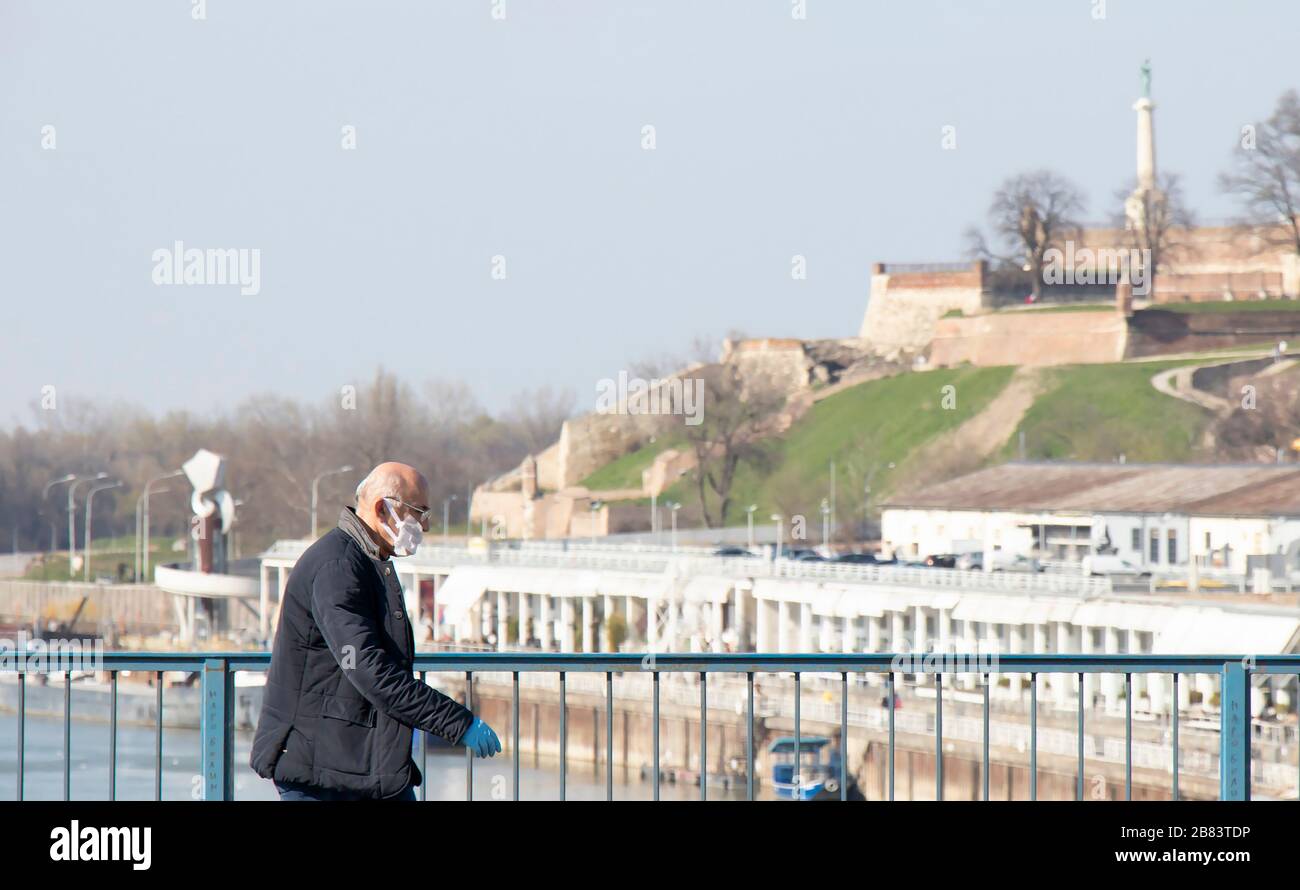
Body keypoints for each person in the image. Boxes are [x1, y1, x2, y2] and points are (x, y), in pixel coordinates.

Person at [250, 461, 501, 800]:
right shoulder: (337, 567)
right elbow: (370, 670)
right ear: (384, 509)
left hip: (360, 763)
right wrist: (457, 722)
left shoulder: (365, 560)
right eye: (419, 512)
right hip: (319, 770)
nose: (425, 525)